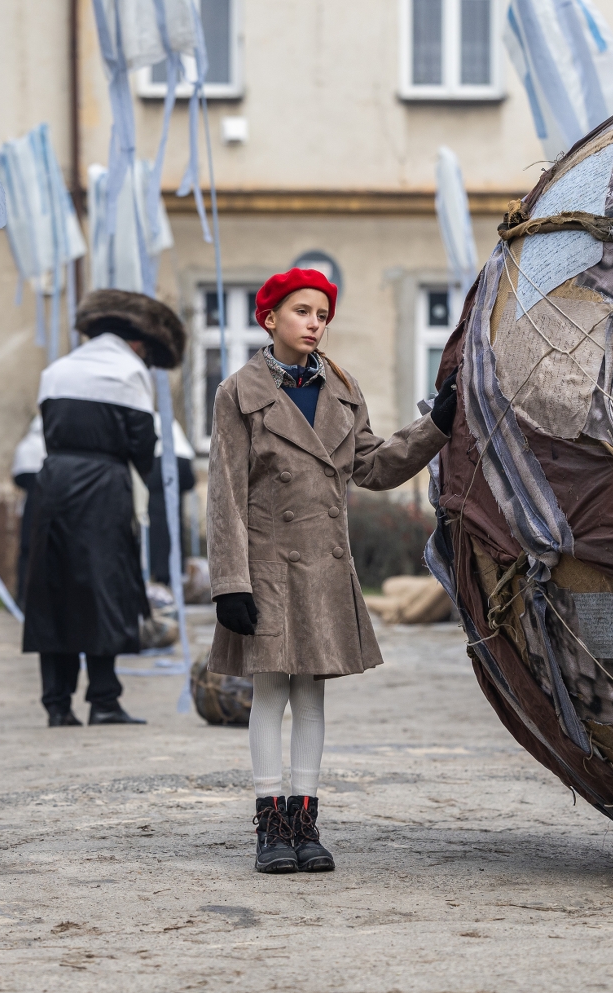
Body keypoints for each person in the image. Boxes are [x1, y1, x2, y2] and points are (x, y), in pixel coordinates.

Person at [206, 268, 458, 875]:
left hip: (322, 565)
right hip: (266, 566)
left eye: (322, 314)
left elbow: (373, 466)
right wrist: (230, 582)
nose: (315, 323)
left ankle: (305, 823)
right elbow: (224, 492)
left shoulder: (343, 389)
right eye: (302, 311)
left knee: (311, 696)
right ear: (270, 318)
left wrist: (437, 426)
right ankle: (270, 826)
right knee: (270, 693)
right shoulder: (238, 392)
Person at [21, 289, 185, 727]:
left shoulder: (56, 371)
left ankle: (57, 705)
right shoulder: (130, 373)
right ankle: (104, 700)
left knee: (54, 592)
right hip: (104, 487)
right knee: (106, 589)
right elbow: (143, 446)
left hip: (54, 482)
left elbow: (48, 431)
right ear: (138, 343)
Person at [145, 418, 196, 586]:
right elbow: (190, 482)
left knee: (154, 539)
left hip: (152, 510)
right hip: (174, 512)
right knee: (173, 538)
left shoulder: (151, 459)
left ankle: (156, 575)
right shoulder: (181, 455)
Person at [10, 414, 45, 608]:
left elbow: (18, 478)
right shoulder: (49, 447)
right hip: (48, 504)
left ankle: (22, 596)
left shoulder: (23, 447)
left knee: (26, 551)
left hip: (30, 505)